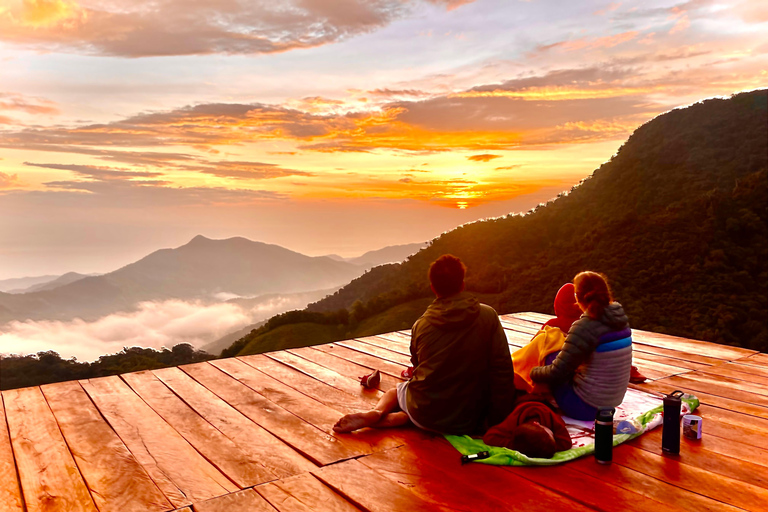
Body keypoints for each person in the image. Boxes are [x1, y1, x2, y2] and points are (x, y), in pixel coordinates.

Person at [333, 254, 516, 435]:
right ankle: (402, 418)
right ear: (462, 284)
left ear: (433, 288)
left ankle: (380, 413)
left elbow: (418, 366)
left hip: (425, 414)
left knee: (397, 390)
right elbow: (502, 369)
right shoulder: (488, 315)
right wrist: (498, 418)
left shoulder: (421, 325)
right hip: (469, 419)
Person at [529, 271, 632, 421]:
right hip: (610, 405)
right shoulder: (619, 318)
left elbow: (557, 373)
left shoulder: (585, 326)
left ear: (577, 298)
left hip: (586, 408)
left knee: (551, 355)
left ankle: (544, 396)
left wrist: (533, 372)